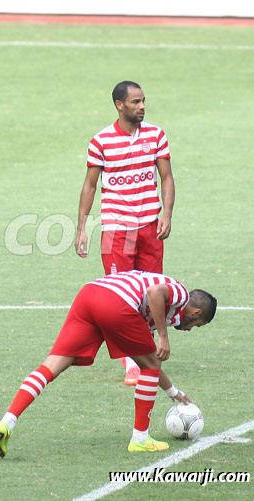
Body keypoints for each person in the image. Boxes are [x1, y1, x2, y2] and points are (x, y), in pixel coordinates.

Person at [0, 270, 216, 457]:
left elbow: (147, 358)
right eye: (197, 325)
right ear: (196, 312)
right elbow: (155, 292)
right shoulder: (181, 293)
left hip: (89, 295)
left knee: (53, 365)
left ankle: (7, 423)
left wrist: (173, 391)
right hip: (115, 301)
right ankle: (140, 439)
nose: (189, 330)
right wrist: (164, 337)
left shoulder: (160, 315)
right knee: (150, 365)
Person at [75, 80, 176, 386]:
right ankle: (130, 362)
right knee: (121, 296)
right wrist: (82, 228)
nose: (142, 106)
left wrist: (166, 213)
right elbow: (90, 185)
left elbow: (167, 178)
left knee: (150, 295)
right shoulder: (101, 141)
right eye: (135, 102)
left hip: (149, 227)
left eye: (143, 101)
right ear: (120, 105)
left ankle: (144, 352)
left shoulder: (156, 135)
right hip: (117, 230)